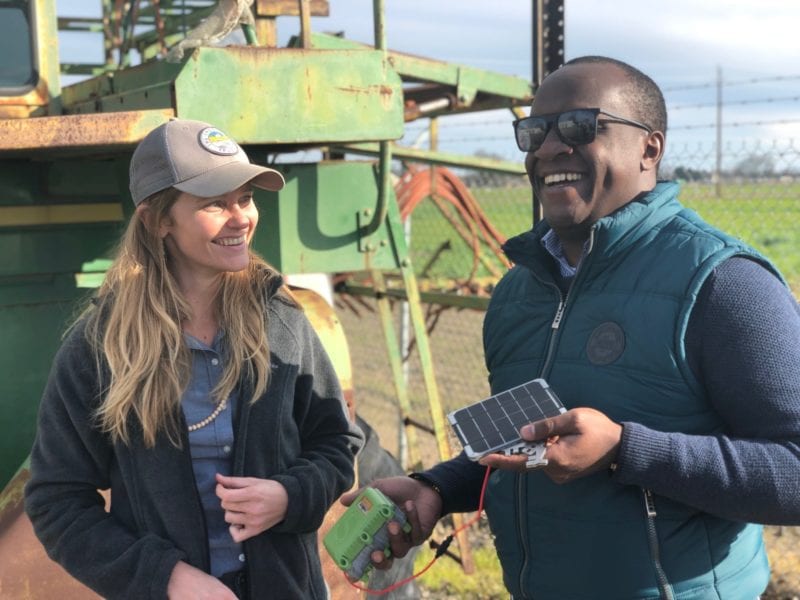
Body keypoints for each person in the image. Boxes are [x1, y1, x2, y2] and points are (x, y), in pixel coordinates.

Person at [343, 56, 800, 599]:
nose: (550, 147)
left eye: (581, 126)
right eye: (534, 132)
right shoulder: (518, 292)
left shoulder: (723, 284)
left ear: (650, 148)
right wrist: (438, 488)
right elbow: (527, 446)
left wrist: (625, 450)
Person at [24, 118, 364, 600]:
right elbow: (56, 500)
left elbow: (337, 440)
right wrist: (164, 578)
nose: (241, 217)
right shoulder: (101, 346)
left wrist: (289, 496)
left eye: (245, 198)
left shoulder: (281, 319)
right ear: (157, 220)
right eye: (215, 203)